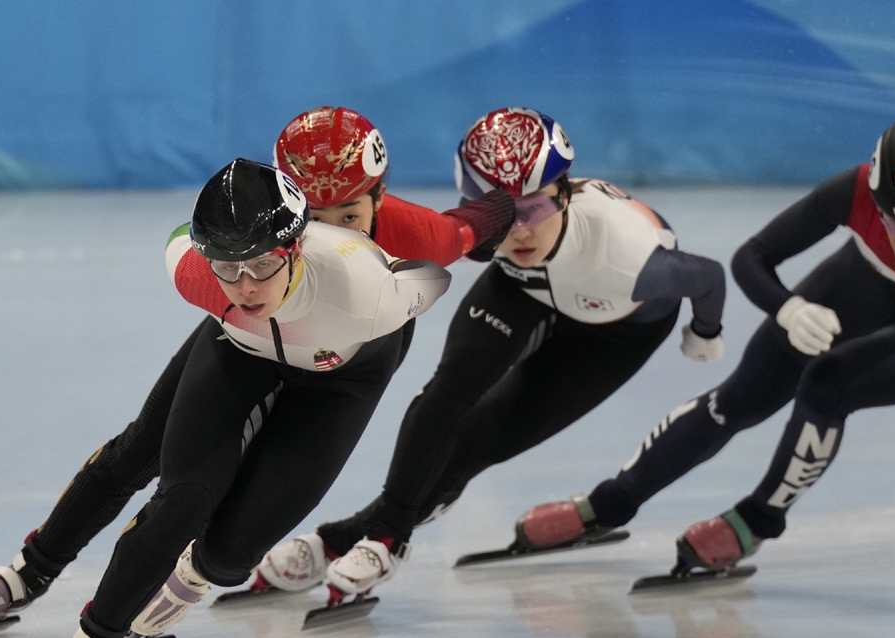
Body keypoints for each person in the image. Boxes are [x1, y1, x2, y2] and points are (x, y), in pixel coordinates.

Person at [0, 107, 514, 629]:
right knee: (143, 448)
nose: (332, 231)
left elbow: (476, 222)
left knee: (254, 493)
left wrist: (515, 209)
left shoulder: (416, 233)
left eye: (350, 214)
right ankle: (33, 569)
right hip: (252, 328)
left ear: (380, 198)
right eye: (314, 218)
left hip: (344, 365)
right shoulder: (259, 256)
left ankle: (163, 589)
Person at [517, 110, 895, 598]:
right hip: (864, 282)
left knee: (828, 385)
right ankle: (606, 506)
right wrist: (787, 309)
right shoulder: (859, 189)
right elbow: (752, 257)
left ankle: (757, 518)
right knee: (737, 398)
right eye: (893, 221)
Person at [22, 158, 459, 638]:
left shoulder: (370, 290)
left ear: (295, 248)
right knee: (179, 500)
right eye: (227, 267)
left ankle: (192, 577)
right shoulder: (196, 274)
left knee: (230, 555)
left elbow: (439, 266)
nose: (245, 285)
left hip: (341, 379)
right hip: (241, 352)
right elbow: (186, 239)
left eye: (261, 266)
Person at [253, 107, 727, 601]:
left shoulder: (632, 257)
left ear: (564, 194)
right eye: (503, 212)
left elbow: (709, 277)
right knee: (448, 393)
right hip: (523, 288)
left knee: (477, 443)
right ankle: (389, 536)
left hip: (614, 332)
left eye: (534, 210)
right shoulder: (499, 237)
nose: (518, 231)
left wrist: (705, 332)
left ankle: (346, 537)